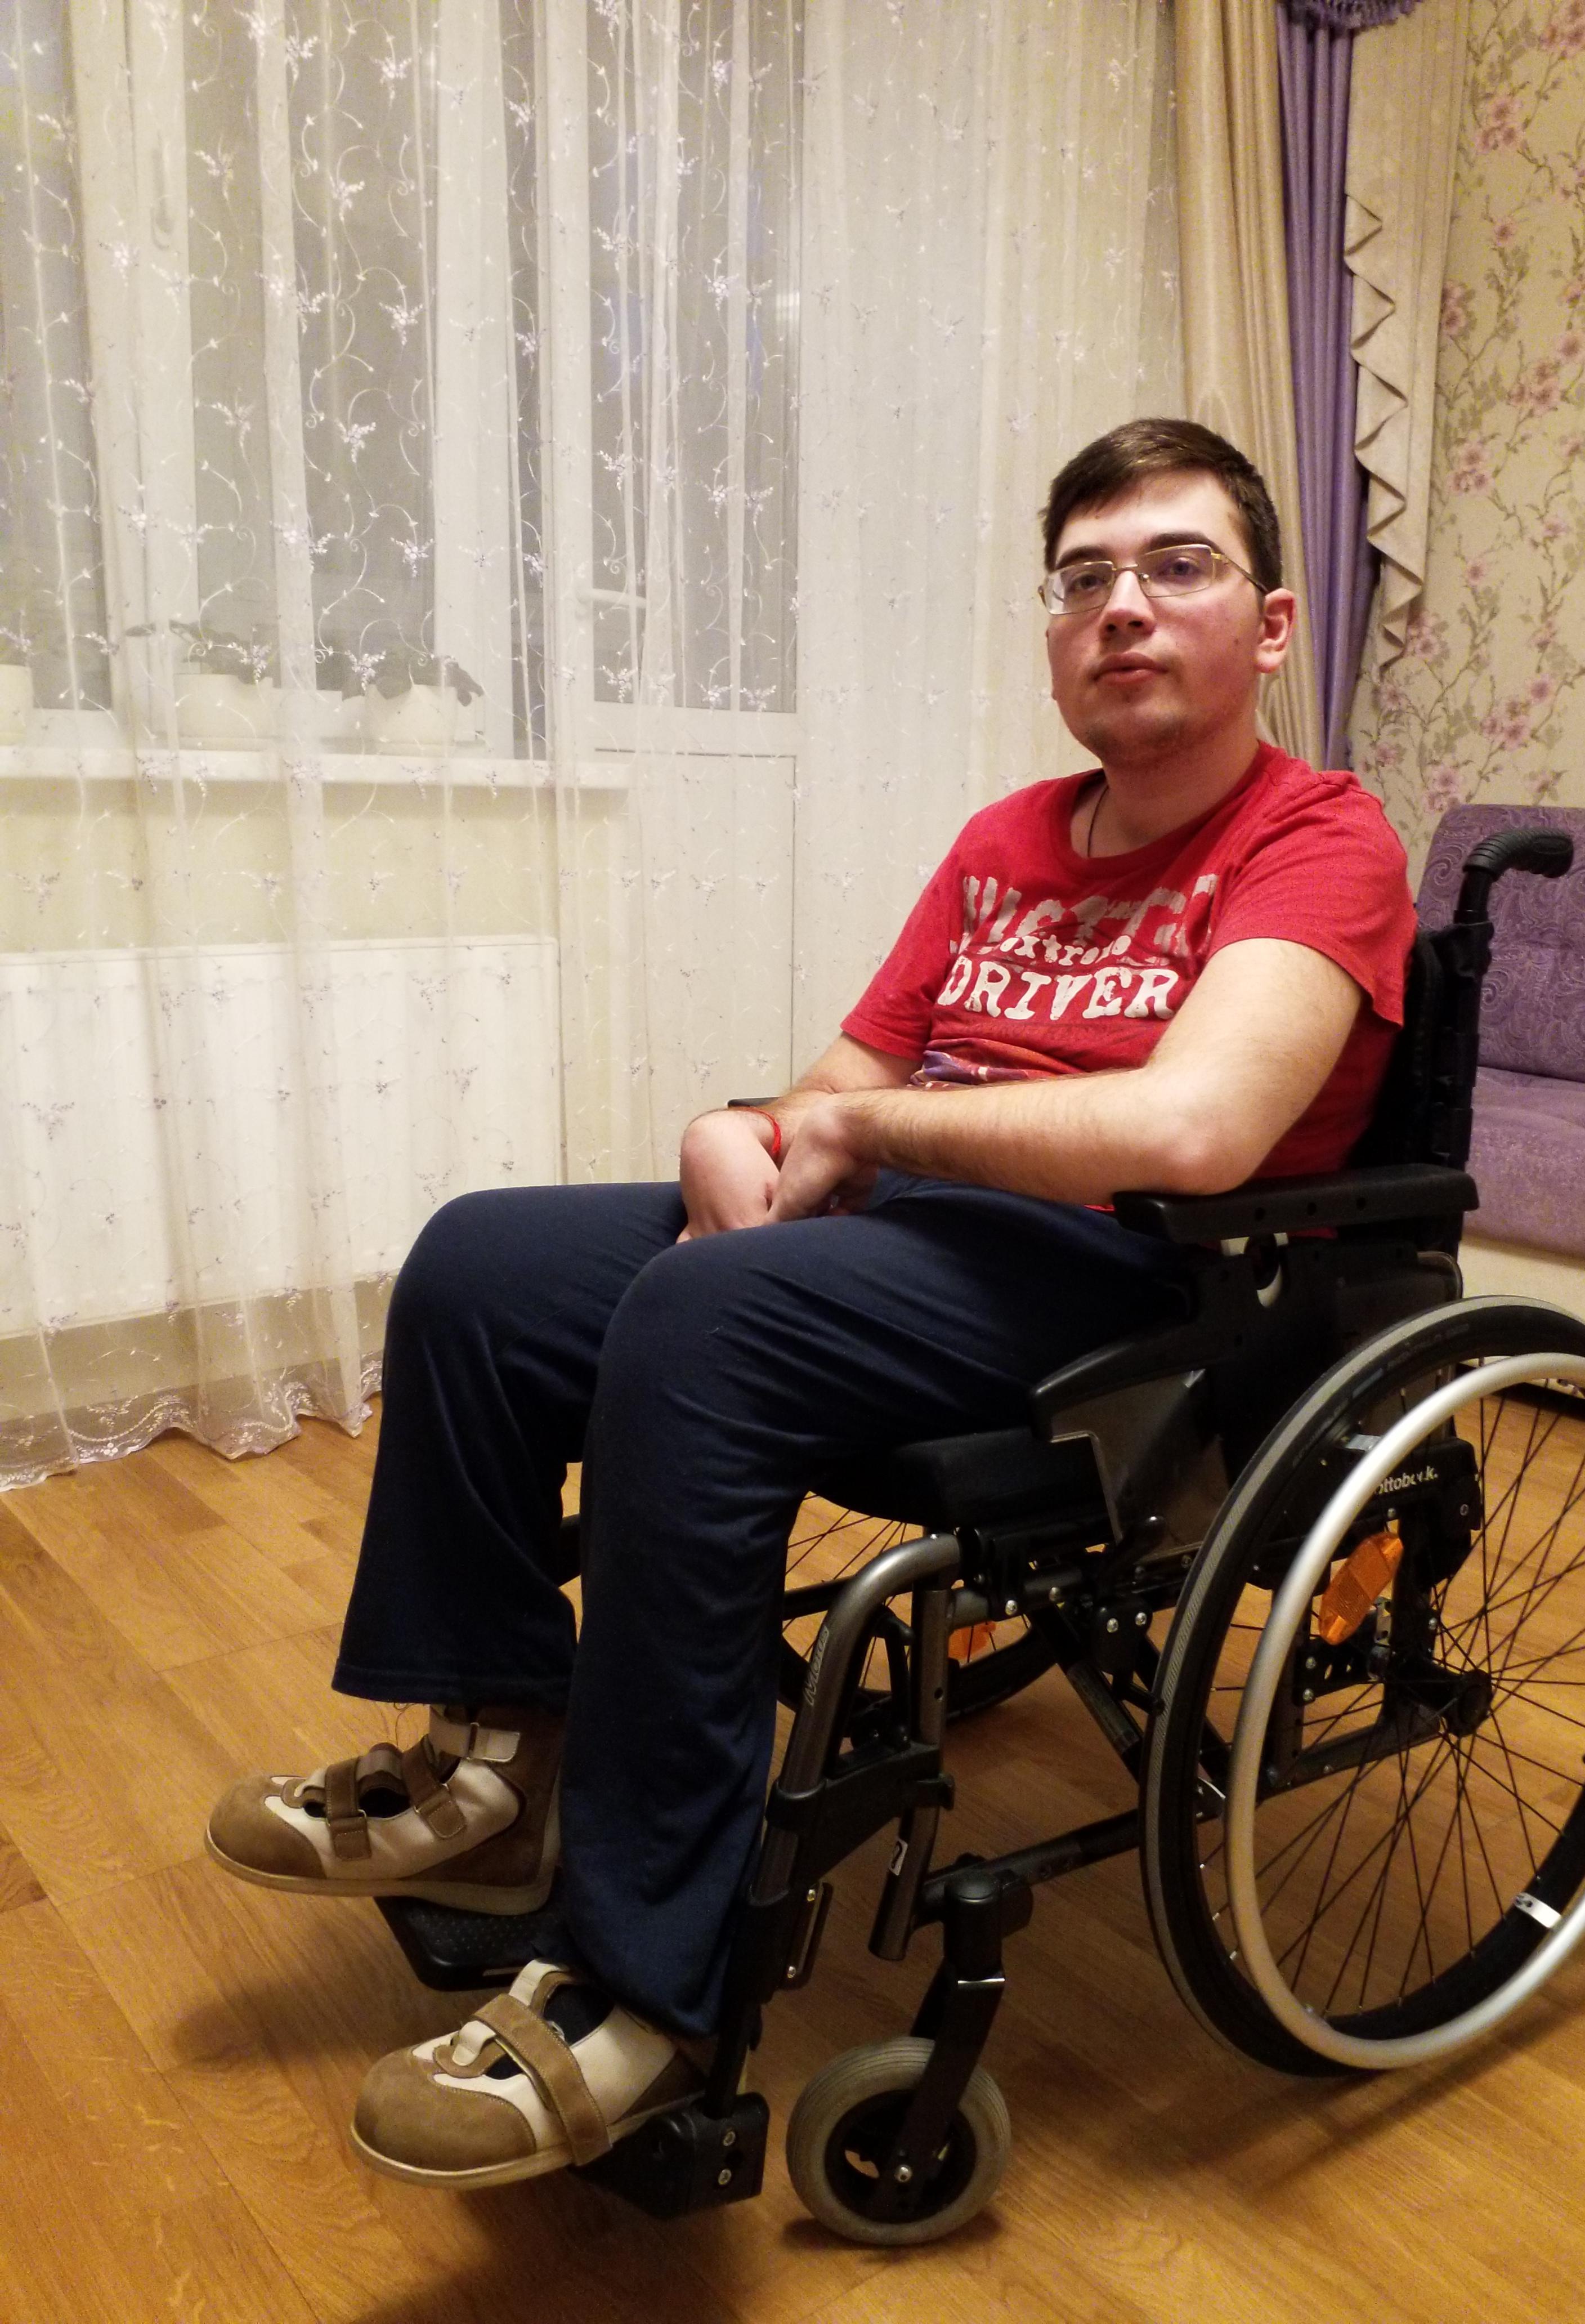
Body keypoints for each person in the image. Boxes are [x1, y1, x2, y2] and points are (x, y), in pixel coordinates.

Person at [206, 418, 1414, 2190]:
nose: (1124, 608)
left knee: (707, 1326)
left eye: (1178, 567)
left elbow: (1196, 1129)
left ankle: (644, 1987)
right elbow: (841, 1083)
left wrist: (855, 1133)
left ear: (1275, 624)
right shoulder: (1009, 838)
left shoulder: (1321, 836)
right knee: (481, 1264)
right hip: (906, 1236)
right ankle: (497, 1768)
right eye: (1084, 578)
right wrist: (746, 1127)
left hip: (1127, 1280)